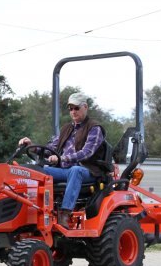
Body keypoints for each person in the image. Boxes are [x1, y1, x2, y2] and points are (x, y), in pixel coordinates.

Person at [18, 92, 105, 228]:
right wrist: (32, 146)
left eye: (76, 108)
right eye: (71, 109)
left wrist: (62, 158)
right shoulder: (66, 129)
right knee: (39, 171)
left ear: (85, 107)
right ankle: (32, 210)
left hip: (88, 171)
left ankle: (65, 213)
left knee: (75, 170)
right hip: (64, 170)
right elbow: (49, 149)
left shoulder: (94, 128)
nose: (73, 112)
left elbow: (87, 152)